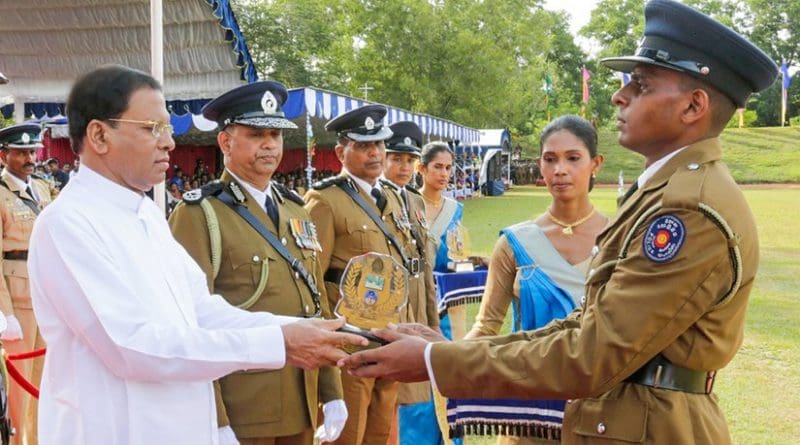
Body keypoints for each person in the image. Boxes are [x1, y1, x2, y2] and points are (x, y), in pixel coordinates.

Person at [340, 1, 778, 443]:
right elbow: (583, 324)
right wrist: (445, 349)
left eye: (641, 85)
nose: (619, 95)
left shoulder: (686, 209)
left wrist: (435, 362)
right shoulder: (664, 193)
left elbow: (593, 353)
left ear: (693, 106)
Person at [27, 64, 366, 445]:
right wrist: (278, 344)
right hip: (116, 430)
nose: (168, 142)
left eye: (167, 128)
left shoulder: (146, 217)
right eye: (152, 128)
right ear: (100, 135)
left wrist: (286, 329)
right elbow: (130, 346)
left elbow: (202, 310)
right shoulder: (68, 224)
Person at [169, 80, 347, 445]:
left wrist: (331, 390)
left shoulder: (295, 208)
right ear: (225, 142)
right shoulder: (199, 213)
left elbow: (317, 305)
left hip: (300, 394)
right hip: (243, 404)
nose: (269, 144)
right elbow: (189, 321)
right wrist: (214, 418)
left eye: (275, 134)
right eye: (256, 134)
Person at [452, 115, 606, 444]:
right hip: (528, 415)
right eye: (550, 159)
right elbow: (487, 326)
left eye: (573, 158)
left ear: (596, 164)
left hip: (602, 412)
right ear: (540, 165)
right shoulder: (514, 243)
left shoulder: (621, 239)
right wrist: (442, 359)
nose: (560, 169)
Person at [304, 105, 407, 445]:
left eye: (378, 143)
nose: (375, 152)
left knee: (380, 433)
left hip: (391, 336)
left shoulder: (392, 197)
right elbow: (311, 279)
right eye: (363, 145)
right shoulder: (325, 199)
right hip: (350, 345)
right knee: (348, 436)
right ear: (340, 152)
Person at [379, 122, 440, 445]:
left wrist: (431, 314)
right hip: (393, 300)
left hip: (416, 293)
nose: (403, 167)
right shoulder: (376, 199)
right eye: (396, 159)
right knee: (389, 388)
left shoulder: (414, 201)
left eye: (409, 161)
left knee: (413, 384)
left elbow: (424, 257)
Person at [0, 123, 54, 445]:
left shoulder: (44, 190)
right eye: (21, 152)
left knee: (44, 383)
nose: (29, 157)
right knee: (20, 392)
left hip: (46, 299)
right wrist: (3, 312)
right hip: (17, 304)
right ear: (4, 155)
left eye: (32, 151)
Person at [417, 141, 466, 340]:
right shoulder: (407, 203)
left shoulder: (455, 209)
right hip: (418, 289)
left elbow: (456, 251)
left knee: (447, 351)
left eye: (448, 168)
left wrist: (475, 263)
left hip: (447, 292)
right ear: (421, 168)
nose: (444, 174)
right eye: (437, 167)